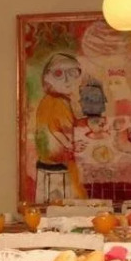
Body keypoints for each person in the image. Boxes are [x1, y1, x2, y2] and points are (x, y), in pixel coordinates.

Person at [34, 53, 87, 200]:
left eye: (73, 72)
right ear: (47, 78)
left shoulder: (55, 100)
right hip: (56, 166)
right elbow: (55, 130)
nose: (67, 79)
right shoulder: (56, 103)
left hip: (51, 163)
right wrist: (71, 145)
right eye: (58, 74)